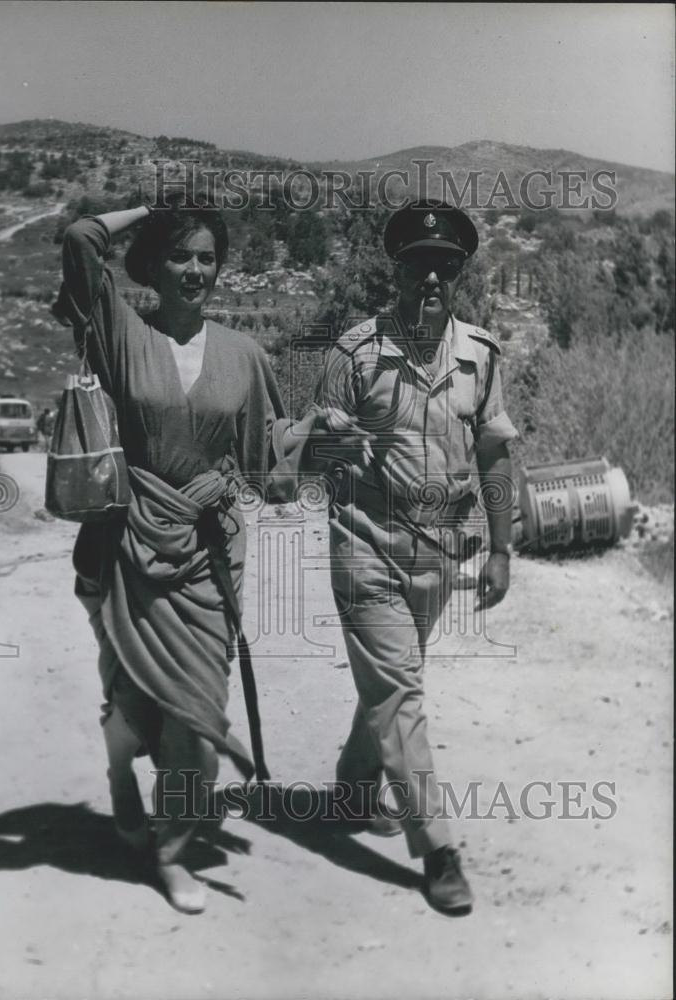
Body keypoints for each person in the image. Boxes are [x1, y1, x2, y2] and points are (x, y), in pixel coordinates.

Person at [51, 196, 355, 914]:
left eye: (206, 257)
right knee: (132, 703)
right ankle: (121, 769)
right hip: (129, 544)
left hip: (208, 557)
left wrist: (319, 427)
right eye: (180, 254)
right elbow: (79, 239)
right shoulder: (121, 330)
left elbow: (270, 458)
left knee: (195, 712)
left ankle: (171, 848)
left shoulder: (243, 356)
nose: (194, 269)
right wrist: (155, 208)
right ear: (153, 264)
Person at [312, 199, 518, 916]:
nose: (430, 279)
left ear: (458, 274)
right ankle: (437, 850)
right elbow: (308, 456)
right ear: (394, 271)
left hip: (440, 553)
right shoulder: (354, 354)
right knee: (400, 692)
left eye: (444, 268)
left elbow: (493, 452)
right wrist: (329, 439)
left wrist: (500, 547)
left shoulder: (480, 357)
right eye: (416, 266)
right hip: (365, 543)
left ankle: (352, 786)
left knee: (392, 684)